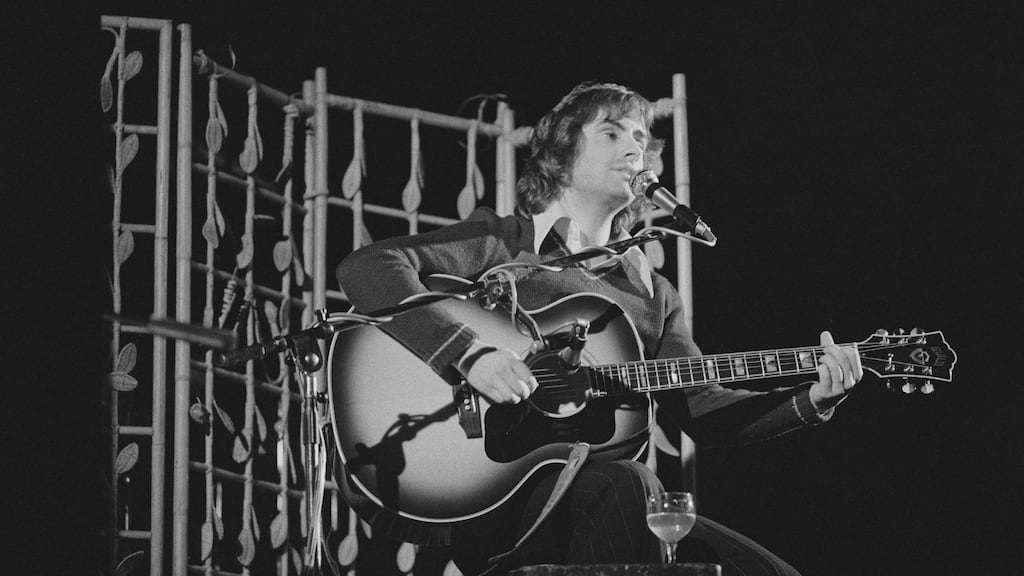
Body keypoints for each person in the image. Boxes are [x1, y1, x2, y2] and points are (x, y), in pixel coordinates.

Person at [335, 81, 862, 576]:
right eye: (611, 132)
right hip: (491, 486)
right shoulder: (505, 242)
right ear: (561, 156)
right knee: (634, 485)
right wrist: (469, 356)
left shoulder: (651, 293)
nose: (634, 146)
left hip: (594, 494)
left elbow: (698, 407)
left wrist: (811, 397)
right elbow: (367, 268)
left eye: (640, 137)